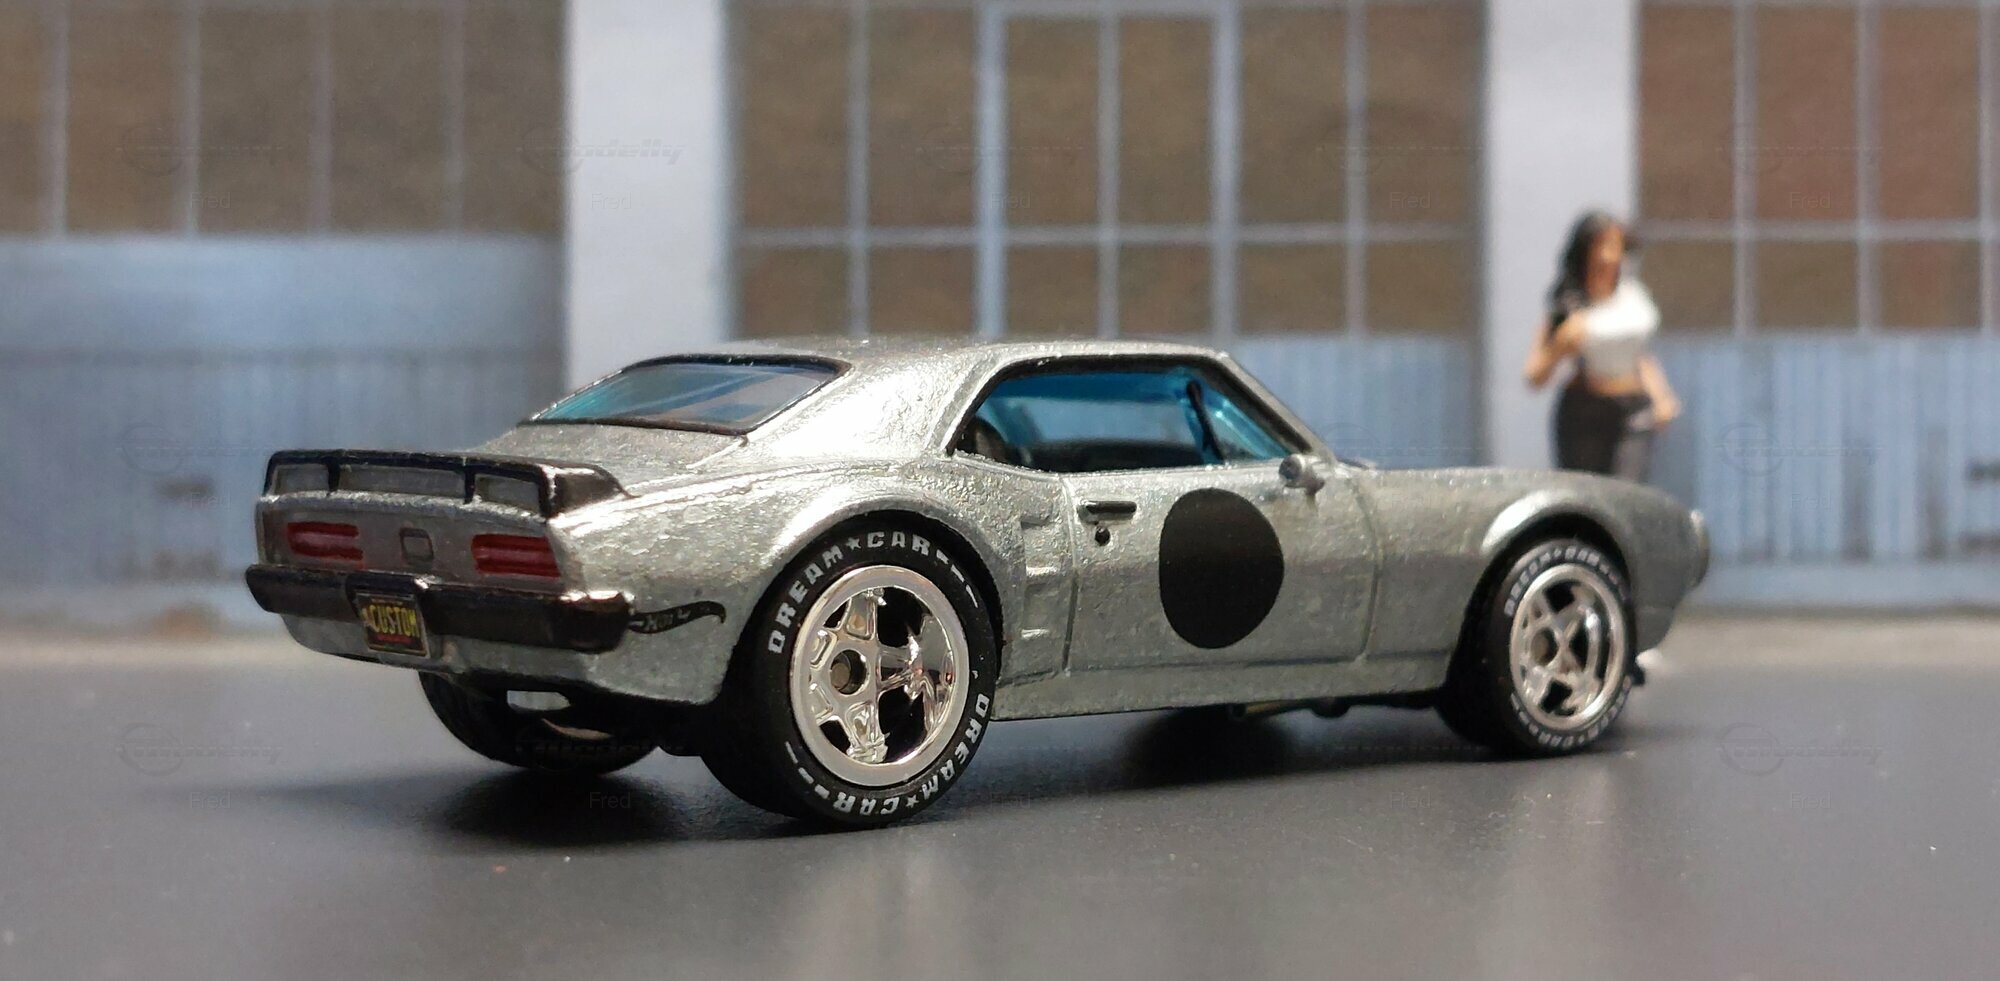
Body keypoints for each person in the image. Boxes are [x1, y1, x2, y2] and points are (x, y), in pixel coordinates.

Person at [1524, 211, 1681, 482]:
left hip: (1633, 408)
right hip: (1587, 410)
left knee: (1628, 489)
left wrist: (1661, 394)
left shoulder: (1631, 296)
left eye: (1615, 245)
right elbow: (1534, 374)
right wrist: (1561, 345)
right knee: (1589, 493)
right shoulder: (1570, 305)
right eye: (1600, 246)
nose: (1608, 256)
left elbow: (1638, 353)